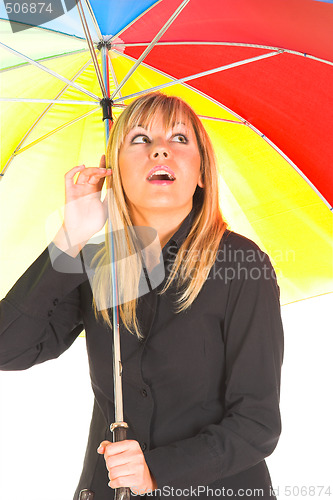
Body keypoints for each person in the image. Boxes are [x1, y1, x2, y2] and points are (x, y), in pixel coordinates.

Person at [0, 92, 284, 499]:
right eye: (139, 139)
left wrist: (157, 471)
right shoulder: (96, 262)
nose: (160, 151)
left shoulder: (242, 263)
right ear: (113, 171)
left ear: (202, 172)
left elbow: (257, 424)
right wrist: (71, 239)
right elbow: (8, 349)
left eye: (179, 139)